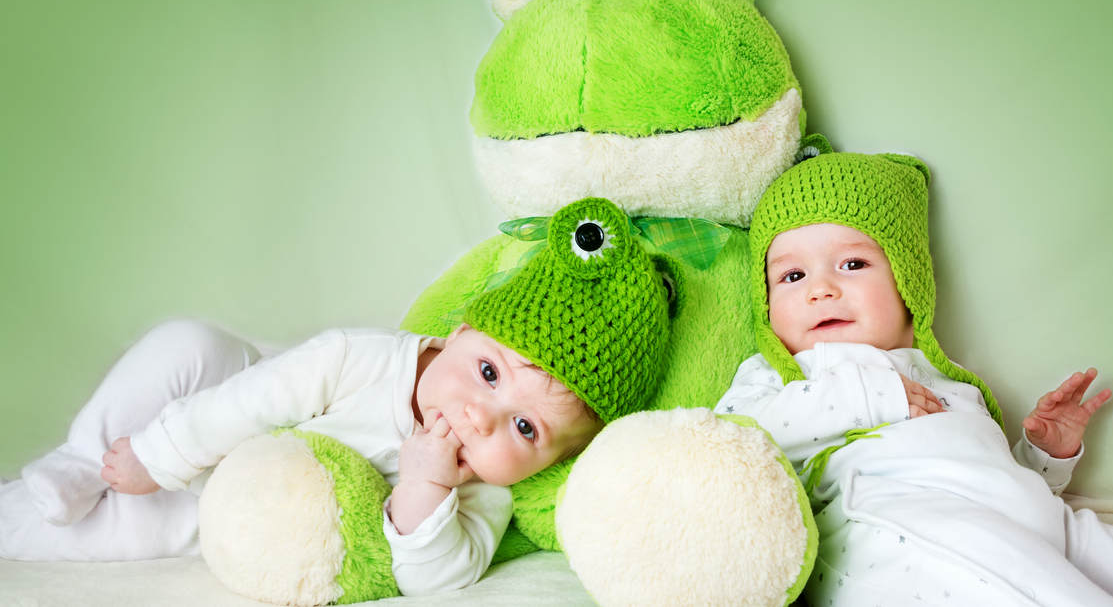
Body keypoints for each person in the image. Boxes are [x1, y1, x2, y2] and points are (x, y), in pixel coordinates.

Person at [0, 197, 673, 597]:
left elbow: (436, 577)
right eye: (489, 373)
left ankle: (29, 510)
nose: (479, 417)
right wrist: (158, 452)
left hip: (232, 495)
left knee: (114, 528)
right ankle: (80, 457)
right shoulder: (363, 356)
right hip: (227, 400)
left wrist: (425, 489)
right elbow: (256, 398)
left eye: (524, 426)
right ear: (461, 331)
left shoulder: (481, 487)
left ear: (557, 457)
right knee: (186, 342)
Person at [715, 152, 1113, 606]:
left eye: (852, 264)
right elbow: (730, 441)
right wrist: (865, 396)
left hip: (1034, 520)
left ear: (908, 280)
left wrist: (1044, 458)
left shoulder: (951, 381)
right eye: (792, 276)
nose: (820, 290)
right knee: (1026, 582)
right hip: (900, 526)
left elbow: (993, 476)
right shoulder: (779, 376)